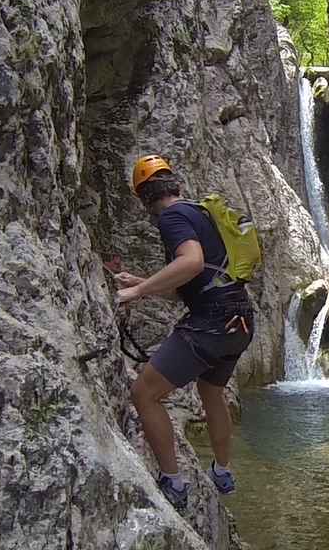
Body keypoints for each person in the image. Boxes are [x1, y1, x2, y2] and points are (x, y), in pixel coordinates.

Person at [114, 154, 255, 510]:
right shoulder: (199, 213)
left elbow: (190, 261)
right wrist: (144, 282)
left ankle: (172, 484)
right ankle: (222, 473)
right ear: (172, 183)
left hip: (211, 322)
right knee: (211, 394)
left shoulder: (171, 217)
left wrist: (138, 291)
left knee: (144, 393)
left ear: (144, 197)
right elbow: (186, 286)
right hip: (238, 321)